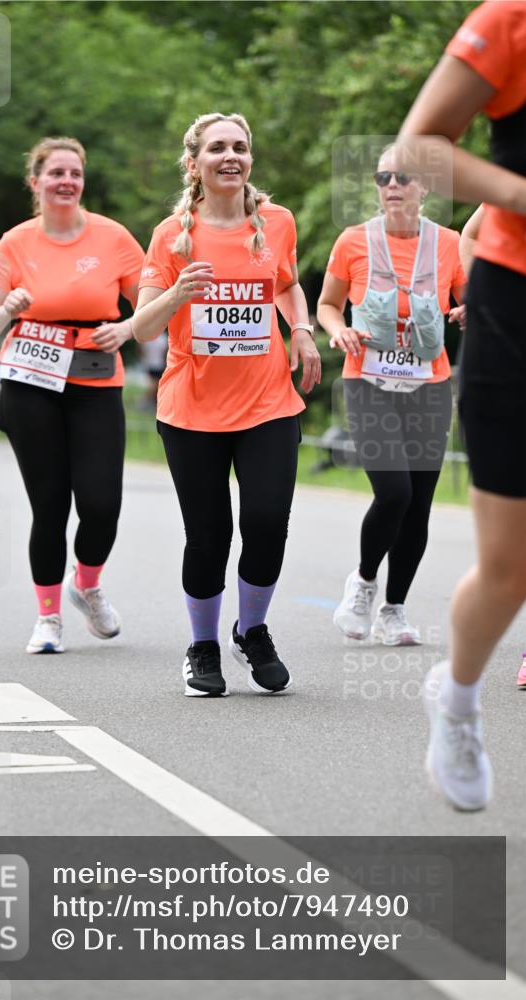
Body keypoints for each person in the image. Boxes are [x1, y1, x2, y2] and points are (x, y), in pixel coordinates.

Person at [133, 112, 320, 697]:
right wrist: (176, 292)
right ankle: (203, 646)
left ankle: (253, 630)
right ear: (195, 163)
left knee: (266, 524)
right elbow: (141, 329)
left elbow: (286, 283)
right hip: (191, 410)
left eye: (240, 147)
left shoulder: (277, 223)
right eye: (218, 148)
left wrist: (303, 329)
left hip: (268, 402)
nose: (231, 156)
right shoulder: (171, 235)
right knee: (208, 535)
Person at [398, 0, 526, 809]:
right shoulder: (509, 23)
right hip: (514, 306)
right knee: (510, 566)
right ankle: (457, 696)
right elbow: (416, 149)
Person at [0, 136, 144, 654]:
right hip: (30, 381)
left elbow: (152, 305)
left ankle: (86, 584)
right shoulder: (16, 242)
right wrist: (7, 311)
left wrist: (128, 327)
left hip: (93, 377)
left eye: (74, 173)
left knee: (102, 503)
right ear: (36, 182)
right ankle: (47, 619)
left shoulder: (113, 238)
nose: (66, 181)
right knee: (50, 505)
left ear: (82, 181)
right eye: (55, 173)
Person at [317, 148, 466, 646]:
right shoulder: (354, 241)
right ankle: (362, 582)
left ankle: (394, 610)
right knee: (395, 492)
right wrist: (337, 330)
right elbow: (328, 305)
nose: (393, 184)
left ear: (425, 187)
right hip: (369, 382)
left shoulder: (448, 244)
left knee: (419, 505)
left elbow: (470, 298)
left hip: (429, 386)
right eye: (384, 176)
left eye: (405, 177)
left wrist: (469, 311)